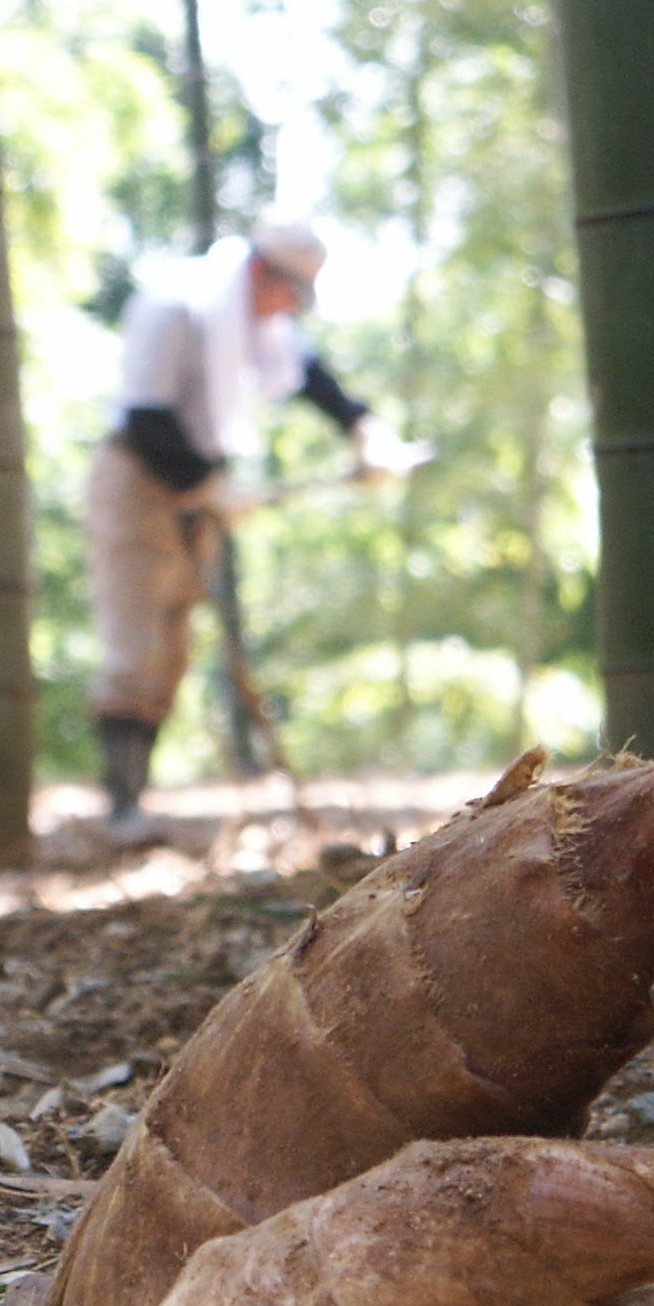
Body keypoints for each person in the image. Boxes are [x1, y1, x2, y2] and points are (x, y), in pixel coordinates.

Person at [87, 215, 410, 844]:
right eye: (290, 292)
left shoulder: (258, 326)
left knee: (172, 651)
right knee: (134, 644)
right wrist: (208, 487)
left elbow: (310, 375)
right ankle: (120, 810)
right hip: (138, 481)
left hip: (194, 487)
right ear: (263, 273)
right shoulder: (175, 308)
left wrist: (363, 429)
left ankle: (134, 803)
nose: (290, 310)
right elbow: (146, 416)